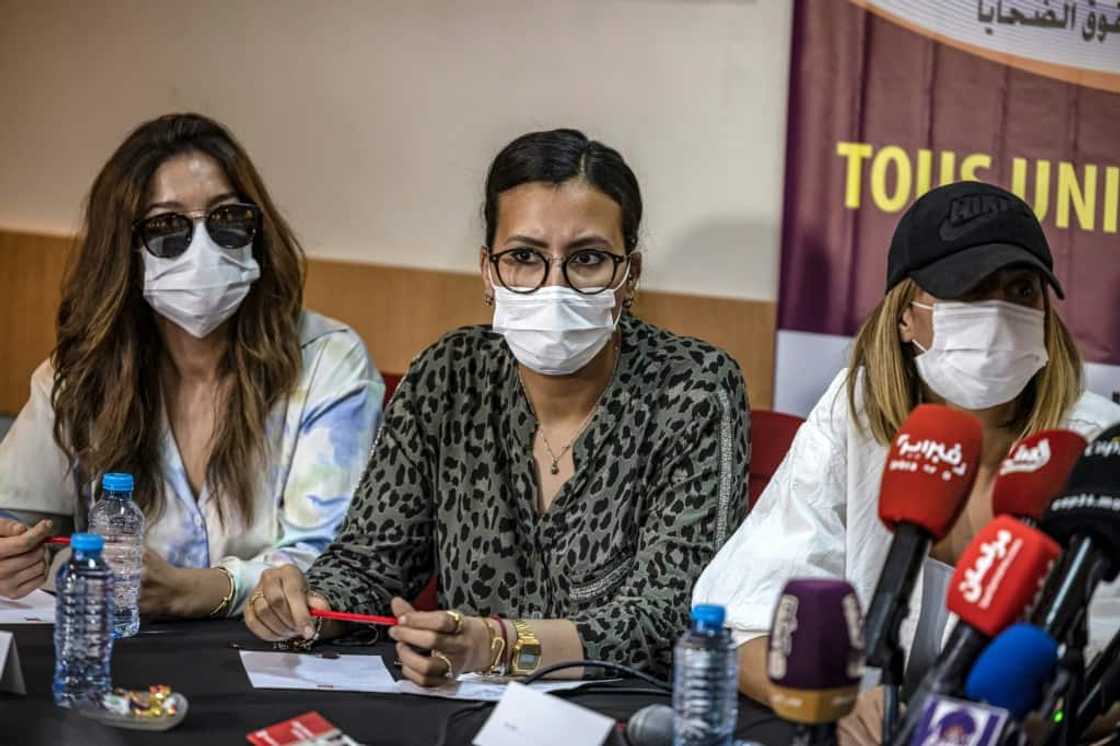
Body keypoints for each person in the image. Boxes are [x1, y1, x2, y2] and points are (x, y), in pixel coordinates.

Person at [244, 128, 750, 686]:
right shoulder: (449, 373)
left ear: (629, 276)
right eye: (525, 258)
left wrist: (501, 645)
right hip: (458, 714)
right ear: (489, 271)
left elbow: (672, 618)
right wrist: (307, 605)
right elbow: (373, 562)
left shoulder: (695, 387)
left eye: (586, 259)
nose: (553, 284)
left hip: (623, 715)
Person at [692, 182, 1120, 741]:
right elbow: (743, 614)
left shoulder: (1094, 450)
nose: (995, 315)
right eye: (966, 291)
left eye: (1020, 290)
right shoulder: (856, 410)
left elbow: (1103, 680)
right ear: (904, 317)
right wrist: (833, 703)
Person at [0, 113, 383, 618]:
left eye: (227, 219)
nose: (203, 250)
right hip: (116, 652)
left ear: (257, 231)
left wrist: (199, 590)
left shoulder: (330, 363)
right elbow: (20, 518)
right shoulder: (80, 374)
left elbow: (334, 563)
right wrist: (12, 552)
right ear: (124, 250)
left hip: (271, 659)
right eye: (166, 227)